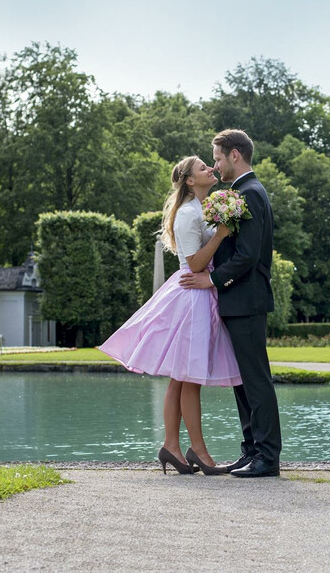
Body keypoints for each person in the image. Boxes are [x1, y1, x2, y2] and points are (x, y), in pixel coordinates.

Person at [99, 155, 239, 476]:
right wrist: (221, 234)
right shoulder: (189, 214)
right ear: (190, 180)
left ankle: (171, 446)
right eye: (202, 167)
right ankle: (198, 452)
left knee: (181, 378)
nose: (209, 169)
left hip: (198, 294)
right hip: (192, 297)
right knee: (188, 379)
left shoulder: (199, 209)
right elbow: (195, 264)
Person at [180, 129, 281, 478]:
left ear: (235, 155)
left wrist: (211, 279)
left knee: (255, 379)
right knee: (242, 381)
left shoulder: (250, 194)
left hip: (247, 300)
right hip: (236, 301)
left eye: (219, 158)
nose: (216, 164)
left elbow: (248, 255)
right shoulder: (238, 193)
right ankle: (251, 450)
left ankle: (267, 457)